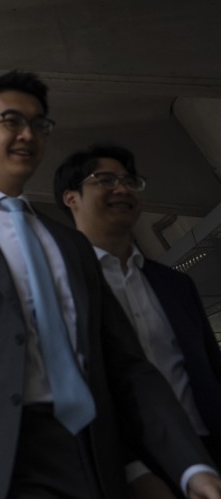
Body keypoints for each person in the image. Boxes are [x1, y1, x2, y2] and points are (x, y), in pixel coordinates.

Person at [0, 70, 221, 499]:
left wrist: (191, 466)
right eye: (11, 120)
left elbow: (127, 367)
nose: (28, 134)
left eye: (39, 124)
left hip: (91, 455)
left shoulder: (70, 243)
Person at [55, 144, 221, 491]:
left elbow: (211, 366)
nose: (122, 188)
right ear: (72, 198)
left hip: (206, 451)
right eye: (104, 180)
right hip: (117, 464)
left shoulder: (175, 285)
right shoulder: (59, 286)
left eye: (130, 181)